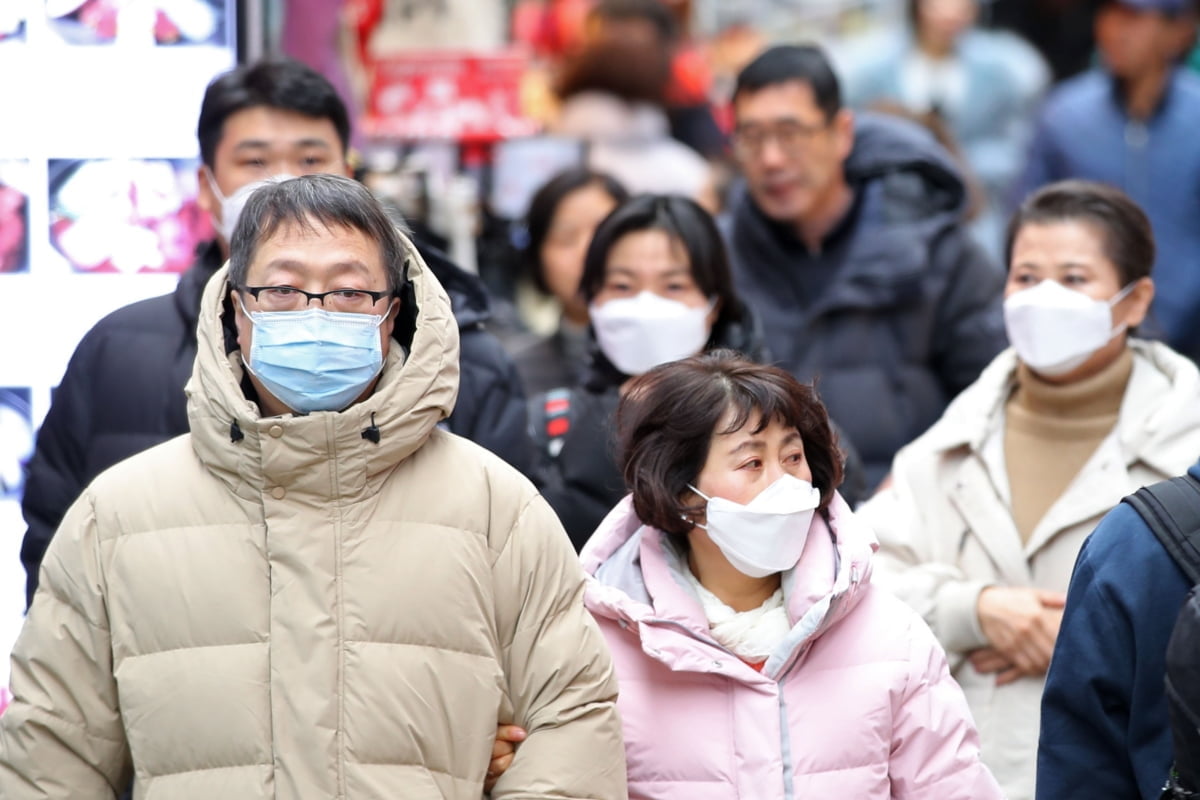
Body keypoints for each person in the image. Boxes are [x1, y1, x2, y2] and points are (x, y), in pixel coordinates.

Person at [0, 173, 627, 798]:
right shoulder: (119, 517)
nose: (316, 310)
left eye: (351, 290)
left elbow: (571, 725)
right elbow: (51, 756)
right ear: (235, 311)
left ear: (394, 314)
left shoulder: (496, 508)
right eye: (282, 288)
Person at [19, 57, 532, 609]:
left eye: (311, 159)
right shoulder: (115, 354)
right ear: (206, 185)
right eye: (255, 160)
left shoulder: (459, 362)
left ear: (350, 175)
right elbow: (58, 563)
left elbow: (513, 579)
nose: (284, 183)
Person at [854, 180, 1200, 800]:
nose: (1045, 300)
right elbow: (853, 577)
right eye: (1026, 277)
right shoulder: (952, 437)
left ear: (1134, 300)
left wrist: (1098, 641)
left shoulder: (1187, 444)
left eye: (1073, 279)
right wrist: (975, 610)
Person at [574, 350, 1002, 797]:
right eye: (752, 463)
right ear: (682, 492)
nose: (784, 483)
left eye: (793, 458)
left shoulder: (893, 637)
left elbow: (952, 785)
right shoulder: (597, 646)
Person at [722, 43, 1007, 490]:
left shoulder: (936, 247)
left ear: (842, 133)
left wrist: (922, 480)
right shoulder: (723, 256)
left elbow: (994, 393)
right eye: (752, 138)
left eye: (790, 133)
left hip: (917, 512)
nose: (771, 158)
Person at [530, 194, 869, 549]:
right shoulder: (551, 424)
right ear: (593, 299)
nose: (647, 305)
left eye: (674, 286)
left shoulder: (791, 422)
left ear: (714, 304)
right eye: (622, 286)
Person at [1013, 0, 1200, 359]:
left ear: (1178, 30)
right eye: (1109, 14)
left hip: (1191, 336)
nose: (1117, 31)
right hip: (1084, 336)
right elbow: (1029, 223)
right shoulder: (1064, 116)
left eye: (1134, 18)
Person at [835, 0, 1050, 259]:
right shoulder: (868, 68)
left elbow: (1017, 144)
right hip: (890, 199)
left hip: (975, 201)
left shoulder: (1008, 68)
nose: (950, 13)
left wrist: (957, 164)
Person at [508, 167, 629, 397]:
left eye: (604, 233)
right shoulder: (515, 371)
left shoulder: (672, 362)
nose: (587, 251)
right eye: (566, 238)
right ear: (537, 258)